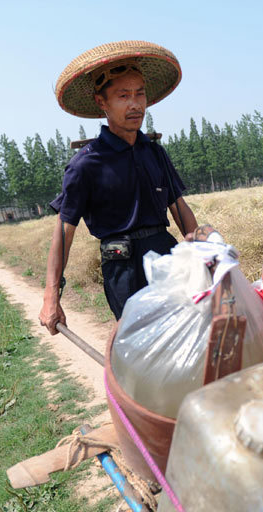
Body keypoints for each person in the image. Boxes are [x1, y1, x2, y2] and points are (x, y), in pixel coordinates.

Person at [39, 41, 198, 333]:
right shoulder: (86, 164)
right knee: (141, 346)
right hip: (122, 268)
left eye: (140, 94)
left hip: (166, 258)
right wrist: (51, 296)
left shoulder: (154, 152)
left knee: (188, 333)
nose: (135, 104)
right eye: (123, 96)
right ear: (102, 103)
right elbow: (63, 233)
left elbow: (179, 207)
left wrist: (200, 250)